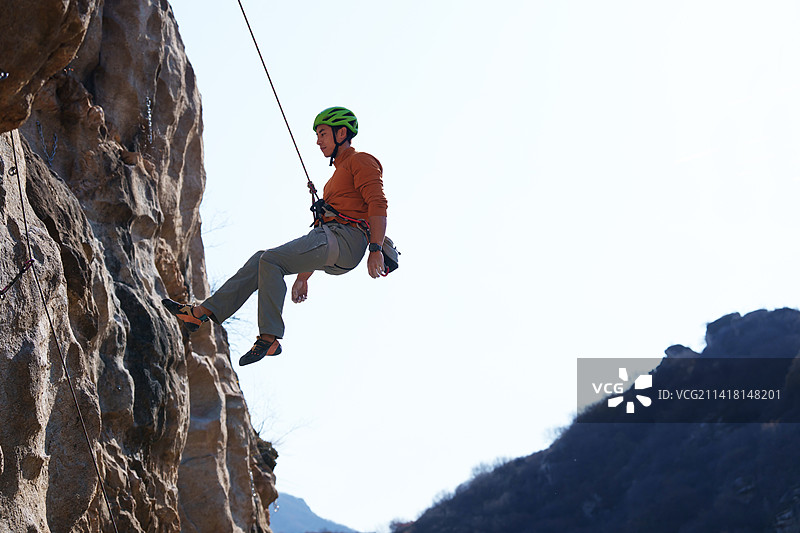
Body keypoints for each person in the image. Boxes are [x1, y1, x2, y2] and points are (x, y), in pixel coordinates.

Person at [162, 106, 388, 365]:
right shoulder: (336, 177)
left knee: (271, 260)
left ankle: (269, 339)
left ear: (341, 133)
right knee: (262, 259)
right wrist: (303, 278)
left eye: (323, 133)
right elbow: (321, 235)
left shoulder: (361, 161)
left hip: (349, 241)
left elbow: (378, 203)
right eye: (317, 135)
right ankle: (200, 313)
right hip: (334, 243)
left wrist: (375, 248)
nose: (317, 141)